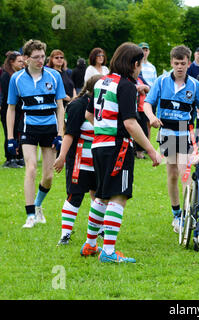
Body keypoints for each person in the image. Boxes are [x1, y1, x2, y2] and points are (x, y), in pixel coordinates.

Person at [81, 42, 161, 263]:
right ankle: (108, 252)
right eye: (140, 66)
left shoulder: (103, 82)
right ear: (134, 63)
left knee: (102, 195)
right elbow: (131, 124)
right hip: (118, 147)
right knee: (118, 196)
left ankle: (90, 243)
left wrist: (105, 125)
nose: (139, 70)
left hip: (97, 145)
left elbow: (89, 115)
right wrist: (151, 150)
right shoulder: (125, 85)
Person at [143, 45, 199, 233]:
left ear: (189, 63)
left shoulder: (195, 85)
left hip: (185, 131)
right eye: (176, 63)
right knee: (172, 173)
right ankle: (177, 214)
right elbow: (148, 103)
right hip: (166, 131)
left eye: (183, 63)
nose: (179, 67)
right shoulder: (161, 81)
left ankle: (189, 214)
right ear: (171, 63)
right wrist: (151, 117)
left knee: (184, 171)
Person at [7, 39, 66, 229]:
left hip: (50, 128)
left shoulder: (54, 76)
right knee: (31, 168)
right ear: (26, 59)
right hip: (28, 127)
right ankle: (30, 215)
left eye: (43, 56)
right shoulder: (16, 79)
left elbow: (60, 107)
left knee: (48, 176)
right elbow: (11, 109)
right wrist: (9, 138)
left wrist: (60, 134)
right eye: (36, 57)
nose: (41, 60)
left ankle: (38, 204)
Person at [54, 74, 103, 245]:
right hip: (79, 159)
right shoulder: (77, 106)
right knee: (75, 195)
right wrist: (61, 157)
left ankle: (100, 229)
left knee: (99, 195)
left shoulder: (105, 104)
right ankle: (65, 234)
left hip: (99, 159)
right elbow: (70, 134)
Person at [0, 51, 25, 168]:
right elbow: (9, 95)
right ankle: (10, 159)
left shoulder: (19, 75)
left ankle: (18, 156)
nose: (22, 63)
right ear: (11, 62)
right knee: (9, 133)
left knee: (18, 133)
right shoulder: (6, 75)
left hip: (19, 110)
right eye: (19, 61)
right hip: (8, 110)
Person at [134, 73, 151, 159]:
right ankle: (138, 152)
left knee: (144, 130)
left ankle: (141, 150)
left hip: (142, 108)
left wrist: (144, 87)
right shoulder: (127, 79)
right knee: (135, 130)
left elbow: (149, 88)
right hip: (134, 109)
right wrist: (137, 88)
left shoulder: (140, 78)